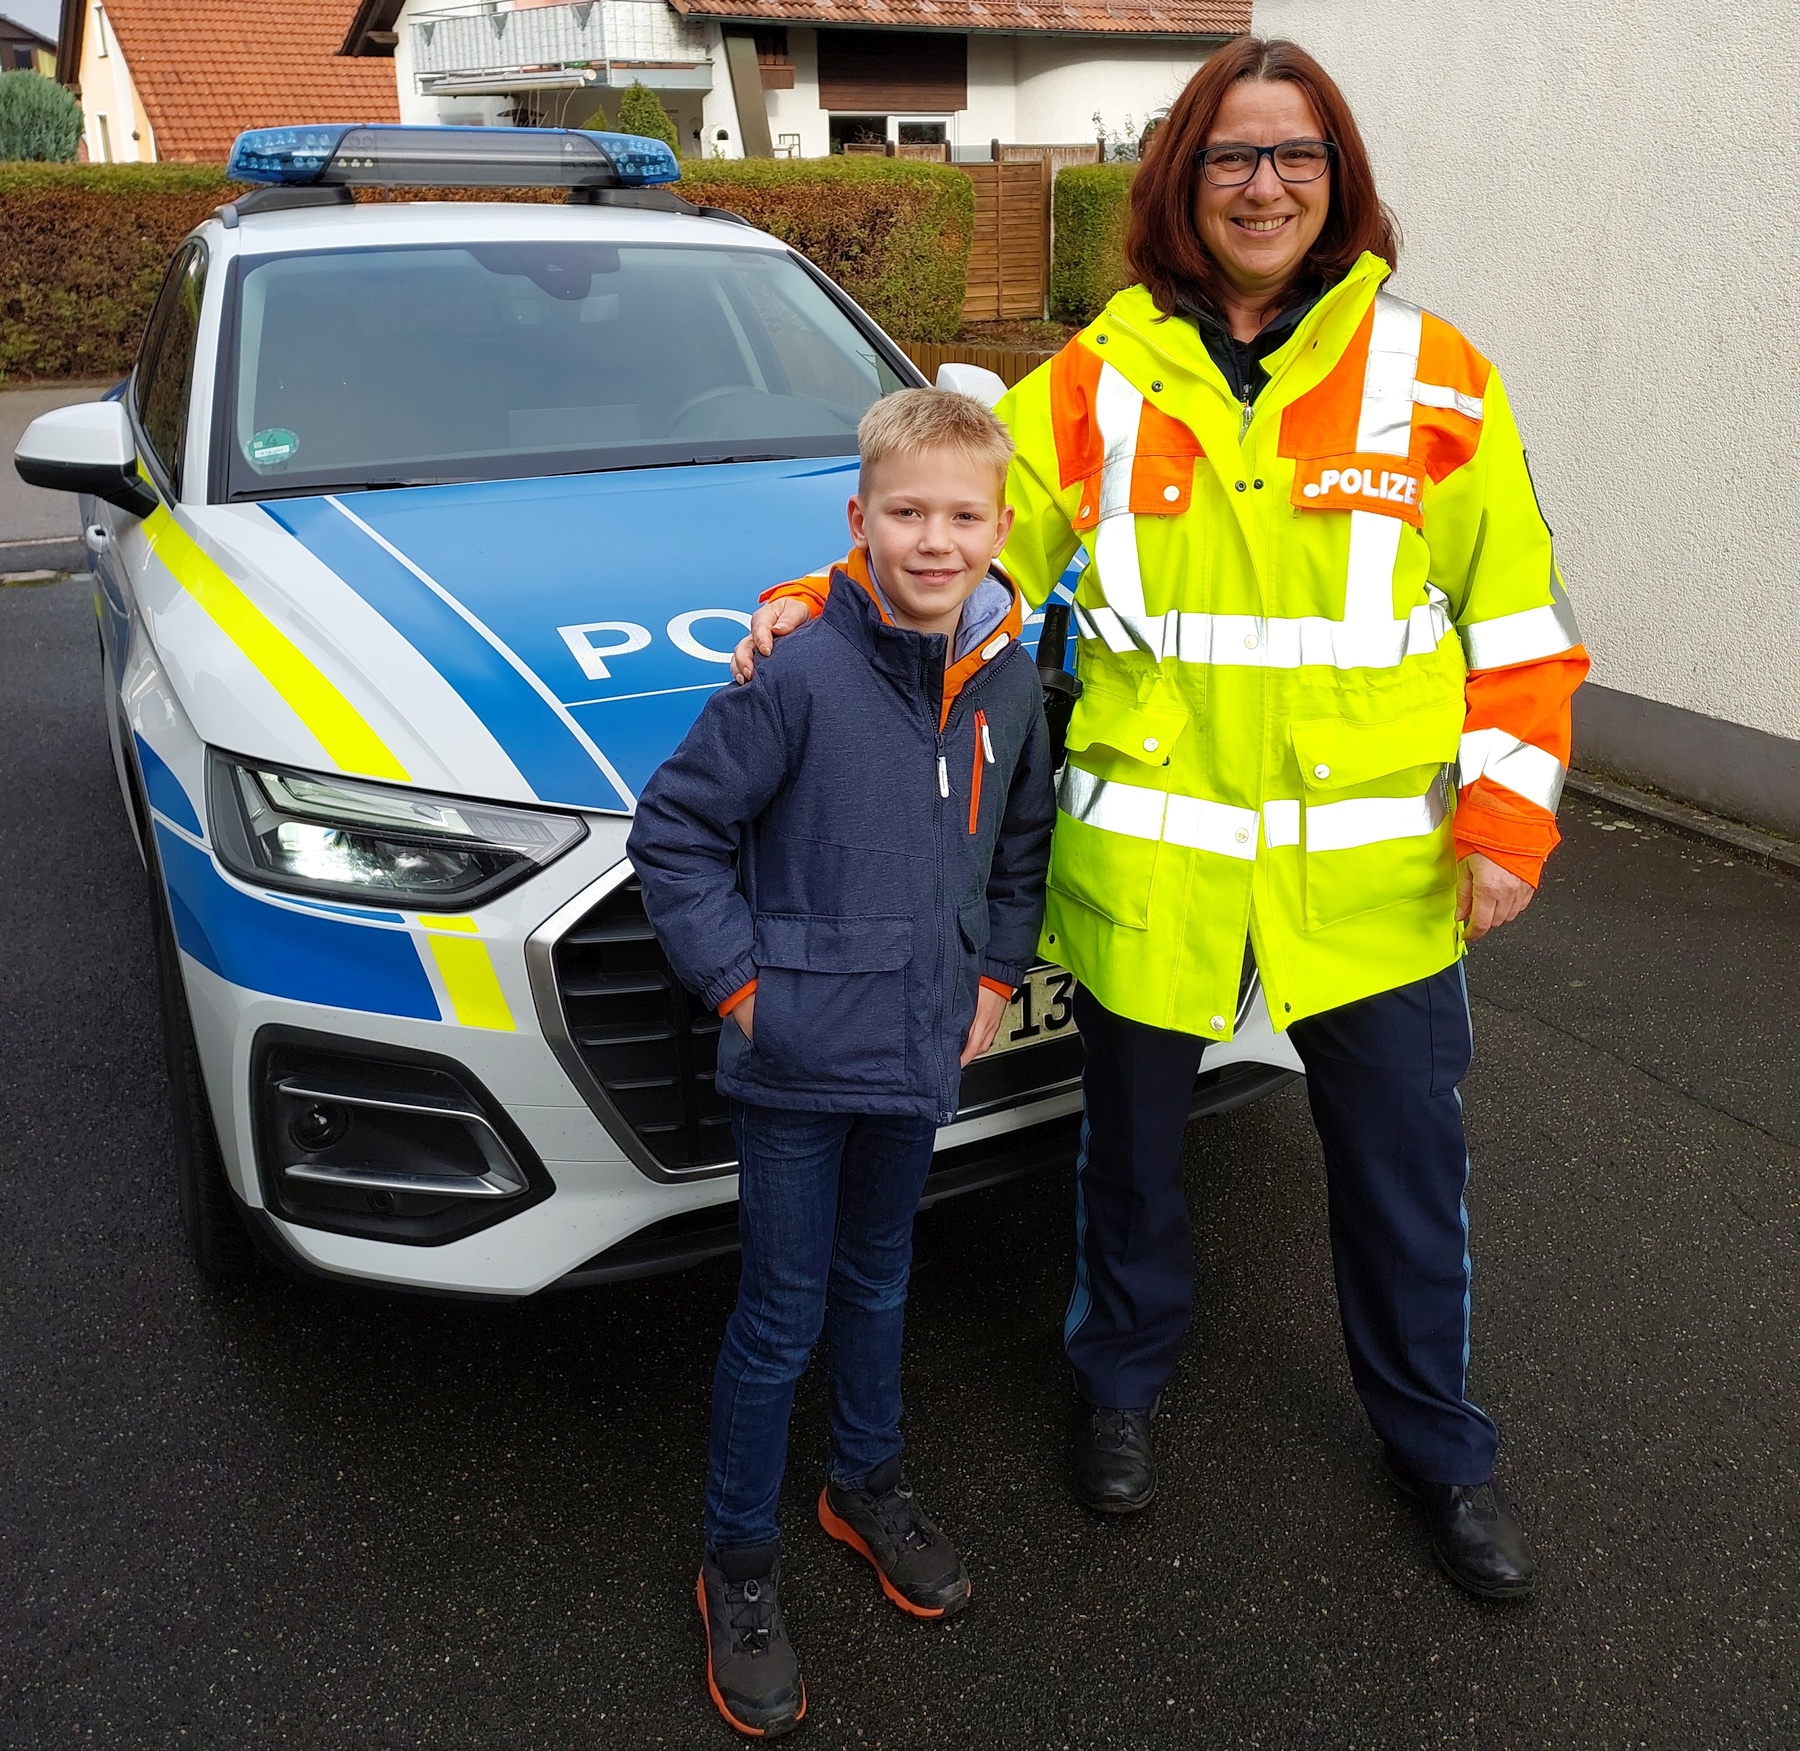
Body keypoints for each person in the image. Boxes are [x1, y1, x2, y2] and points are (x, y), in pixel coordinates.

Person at [731, 37, 1588, 1601]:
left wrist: (1504, 827)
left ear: (1339, 185)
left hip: (1377, 881)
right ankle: (1117, 1393)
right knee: (1125, 1174)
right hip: (1156, 875)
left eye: (1295, 158)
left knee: (1406, 1185)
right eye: (1230, 158)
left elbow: (1519, 625)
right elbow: (966, 540)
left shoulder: (1437, 378)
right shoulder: (1103, 381)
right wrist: (815, 597)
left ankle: (1440, 1454)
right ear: (1179, 184)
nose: (1263, 186)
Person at [628, 388, 1055, 1737]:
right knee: (780, 1316)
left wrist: (993, 976)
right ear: (857, 521)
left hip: (918, 1052)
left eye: (964, 516)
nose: (936, 541)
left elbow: (1022, 846)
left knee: (884, 1280)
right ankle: (737, 1564)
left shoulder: (1012, 678)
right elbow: (677, 835)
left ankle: (863, 1486)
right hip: (801, 1067)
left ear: (1000, 531)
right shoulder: (798, 670)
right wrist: (745, 989)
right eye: (908, 513)